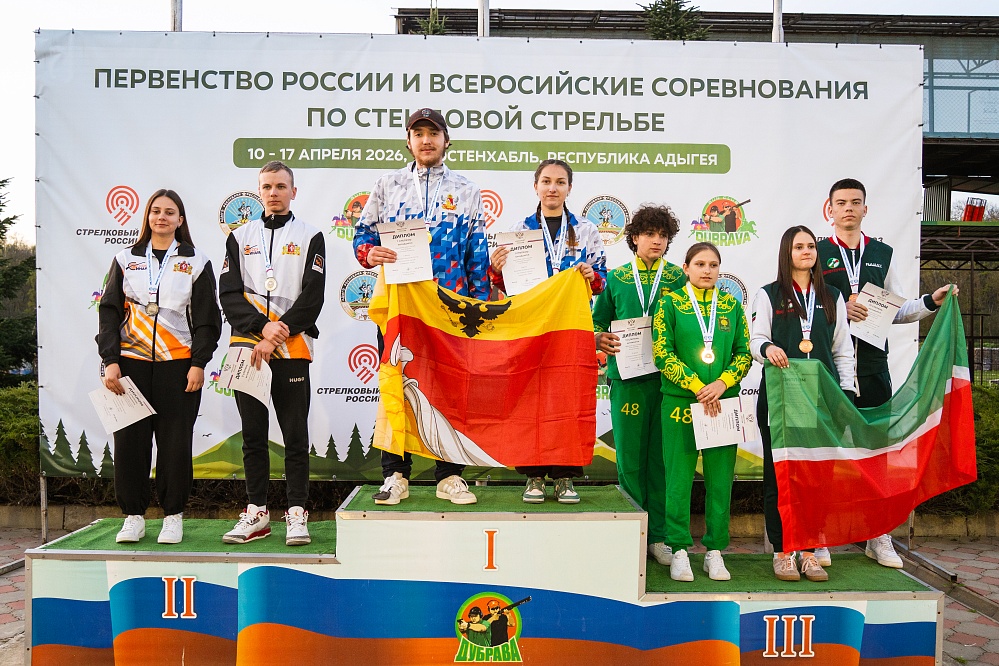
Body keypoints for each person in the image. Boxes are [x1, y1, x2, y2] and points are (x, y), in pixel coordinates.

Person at [817, 177, 957, 569]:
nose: (848, 208)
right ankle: (819, 535)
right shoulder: (816, 251)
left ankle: (877, 535)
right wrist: (838, 309)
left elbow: (899, 310)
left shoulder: (881, 253)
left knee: (877, 454)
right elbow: (804, 308)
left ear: (865, 208)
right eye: (841, 202)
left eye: (855, 202)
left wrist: (930, 301)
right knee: (827, 454)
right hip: (830, 369)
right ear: (830, 210)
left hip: (873, 368)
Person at [353, 107, 489, 506]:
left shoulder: (467, 190)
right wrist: (368, 253)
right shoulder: (388, 185)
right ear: (408, 141)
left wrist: (478, 309)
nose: (426, 140)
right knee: (395, 384)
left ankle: (449, 475)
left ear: (447, 141)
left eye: (433, 133)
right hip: (400, 304)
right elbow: (362, 234)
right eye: (418, 134)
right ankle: (395, 474)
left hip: (449, 306)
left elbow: (477, 253)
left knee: (450, 387)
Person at [97, 189, 222, 545]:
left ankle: (173, 516)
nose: (162, 217)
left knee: (175, 445)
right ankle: (133, 517)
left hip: (178, 368)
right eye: (156, 211)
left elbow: (208, 320)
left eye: (169, 212)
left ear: (180, 219)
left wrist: (198, 363)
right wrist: (110, 361)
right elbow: (109, 313)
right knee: (129, 444)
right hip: (131, 366)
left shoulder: (196, 262)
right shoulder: (125, 259)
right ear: (147, 217)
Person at [489, 159, 607, 504]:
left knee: (569, 399)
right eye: (546, 181)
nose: (552, 188)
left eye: (559, 182)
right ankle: (534, 476)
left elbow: (601, 280)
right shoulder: (518, 230)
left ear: (569, 188)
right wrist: (495, 269)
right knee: (531, 399)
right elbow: (503, 284)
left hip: (571, 327)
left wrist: (592, 276)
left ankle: (566, 477)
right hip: (531, 327)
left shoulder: (586, 230)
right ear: (536, 186)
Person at [220, 161, 326, 546]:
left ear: (293, 191)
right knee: (252, 436)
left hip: (292, 348)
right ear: (259, 191)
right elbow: (228, 294)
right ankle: (257, 513)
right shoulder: (239, 237)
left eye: (281, 186)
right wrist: (260, 329)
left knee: (295, 436)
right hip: (247, 349)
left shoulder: (311, 235)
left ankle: (296, 513)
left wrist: (276, 333)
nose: (273, 193)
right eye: (267, 186)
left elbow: (313, 297)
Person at [751, 226, 855, 582]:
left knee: (816, 479)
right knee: (779, 477)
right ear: (787, 252)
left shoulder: (832, 296)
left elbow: (843, 350)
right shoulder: (769, 294)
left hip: (820, 398)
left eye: (811, 246)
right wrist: (768, 348)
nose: (807, 251)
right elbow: (756, 340)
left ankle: (809, 552)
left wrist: (846, 394)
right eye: (799, 246)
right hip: (780, 398)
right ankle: (782, 552)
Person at [652, 242, 751, 582]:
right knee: (678, 480)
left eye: (713, 264)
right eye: (699, 264)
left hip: (722, 403)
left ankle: (715, 551)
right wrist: (696, 385)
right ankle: (679, 549)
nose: (707, 270)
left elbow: (744, 354)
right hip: (680, 402)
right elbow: (662, 353)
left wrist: (722, 383)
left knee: (720, 481)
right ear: (686, 268)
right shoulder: (670, 303)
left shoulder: (732, 306)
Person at [592, 204, 684, 565]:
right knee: (629, 460)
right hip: (627, 380)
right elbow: (598, 323)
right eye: (649, 234)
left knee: (661, 461)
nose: (656, 241)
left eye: (663, 235)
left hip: (668, 381)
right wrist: (600, 339)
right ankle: (633, 534)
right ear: (633, 238)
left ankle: (658, 536)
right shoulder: (616, 278)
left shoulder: (678, 278)